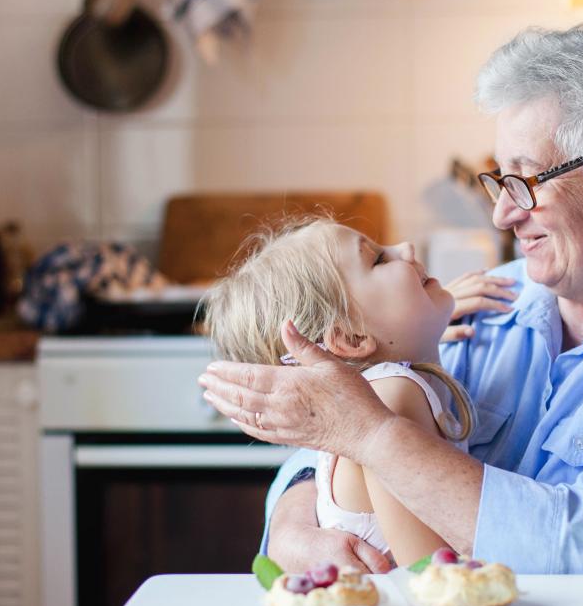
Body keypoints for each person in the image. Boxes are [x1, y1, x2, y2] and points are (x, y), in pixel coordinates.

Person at [198, 22, 583, 574]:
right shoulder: (484, 303)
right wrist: (294, 525)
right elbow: (335, 440)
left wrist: (377, 436)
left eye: (526, 180)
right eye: (499, 179)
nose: (503, 211)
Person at [202, 218, 477, 566]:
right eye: (378, 260)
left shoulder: (393, 391)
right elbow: (431, 572)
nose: (405, 248)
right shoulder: (391, 396)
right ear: (352, 339)